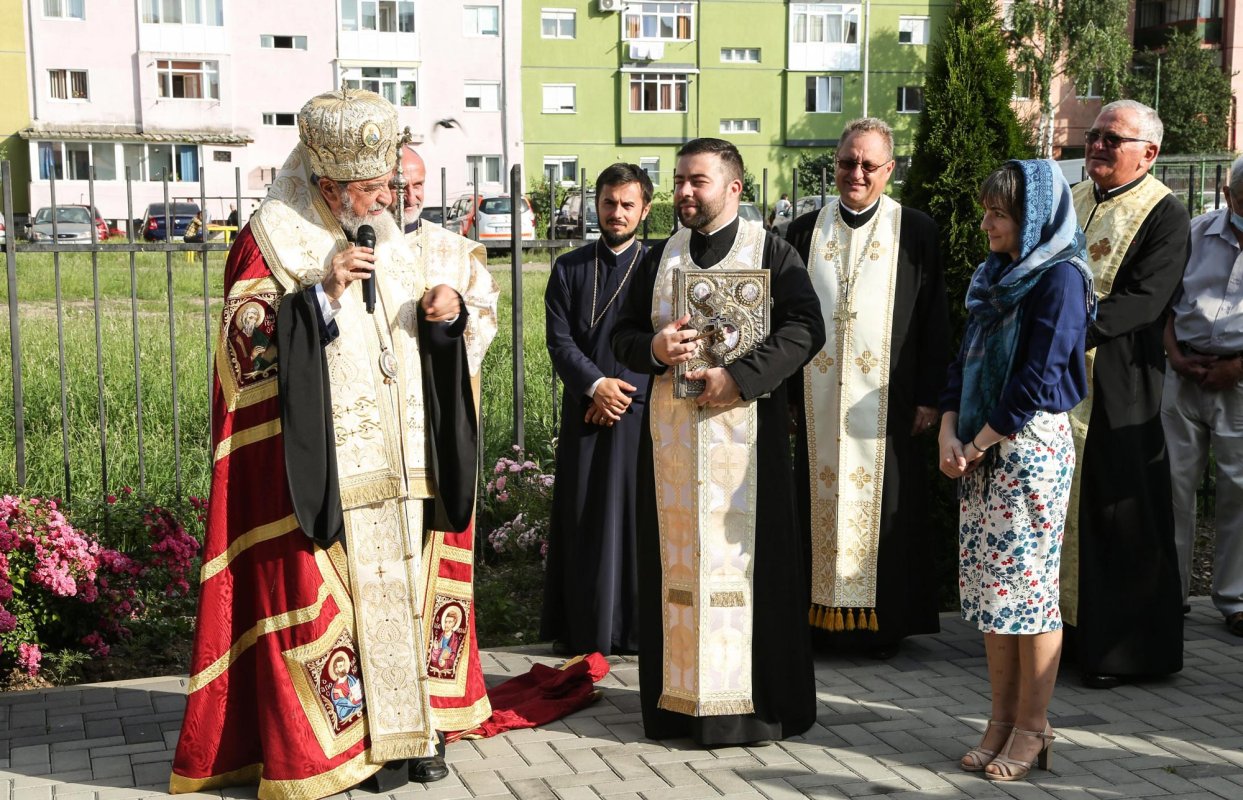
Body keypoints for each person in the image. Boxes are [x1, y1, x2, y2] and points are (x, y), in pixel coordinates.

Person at [170, 88, 478, 798]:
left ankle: (415, 734)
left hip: (403, 465)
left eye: (387, 186)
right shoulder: (271, 235)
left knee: (406, 596)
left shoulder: (390, 233)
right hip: (326, 467)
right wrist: (319, 297)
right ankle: (342, 751)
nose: (383, 198)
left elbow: (407, 340)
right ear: (326, 184)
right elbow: (244, 346)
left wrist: (444, 318)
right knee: (342, 606)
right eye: (370, 188)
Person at [611, 138, 825, 745]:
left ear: (733, 188)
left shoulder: (772, 251)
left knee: (756, 570)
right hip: (673, 446)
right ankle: (678, 707)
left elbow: (807, 327)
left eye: (697, 181)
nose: (683, 192)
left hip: (747, 446)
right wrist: (653, 350)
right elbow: (624, 334)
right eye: (679, 180)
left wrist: (741, 378)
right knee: (677, 571)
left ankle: (759, 708)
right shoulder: (660, 257)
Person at [940, 160, 1094, 781]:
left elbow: (1036, 377)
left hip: (1026, 447)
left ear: (1032, 218)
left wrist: (975, 442)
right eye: (986, 212)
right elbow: (963, 360)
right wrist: (949, 431)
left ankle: (1034, 726)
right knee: (991, 594)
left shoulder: (1060, 279)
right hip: (979, 443)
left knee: (1030, 594)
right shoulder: (992, 275)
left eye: (999, 215)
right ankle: (1001, 720)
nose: (987, 225)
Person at [785, 117, 949, 658]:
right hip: (817, 400)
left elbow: (934, 319)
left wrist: (930, 395)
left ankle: (883, 625)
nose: (855, 173)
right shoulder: (803, 231)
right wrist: (786, 393)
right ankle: (815, 619)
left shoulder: (917, 230)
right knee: (815, 500)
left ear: (889, 169)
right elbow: (783, 318)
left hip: (887, 401)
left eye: (868, 165)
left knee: (889, 504)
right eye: (846, 162)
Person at [1062, 99, 1190, 688]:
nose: (1098, 146)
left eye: (1113, 139)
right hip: (1062, 382)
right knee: (1068, 509)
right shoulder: (1076, 199)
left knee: (1120, 513)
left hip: (1122, 381)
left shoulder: (1165, 212)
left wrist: (1066, 328)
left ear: (1149, 152)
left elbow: (1147, 298)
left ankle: (1122, 650)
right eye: (1093, 136)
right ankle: (1061, 633)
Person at [395, 144, 500, 737]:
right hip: (377, 429)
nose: (406, 195)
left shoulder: (455, 250)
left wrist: (456, 312)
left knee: (438, 555)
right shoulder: (353, 245)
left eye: (414, 183)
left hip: (436, 428)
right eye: (395, 182)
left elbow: (483, 321)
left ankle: (442, 690)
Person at [542, 163, 653, 656]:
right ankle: (585, 628)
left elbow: (665, 338)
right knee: (586, 514)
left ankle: (633, 628)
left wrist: (621, 392)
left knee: (633, 516)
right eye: (609, 202)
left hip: (637, 410)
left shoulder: (657, 266)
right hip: (585, 410)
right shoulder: (569, 267)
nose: (617, 213)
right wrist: (594, 386)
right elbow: (559, 341)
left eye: (628, 204)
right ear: (596, 204)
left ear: (644, 209)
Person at [1162, 153, 1243, 635]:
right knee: (1172, 486)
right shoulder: (1197, 231)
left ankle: (1235, 599)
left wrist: (1237, 366)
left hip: (1238, 378)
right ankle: (1170, 592)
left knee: (1238, 488)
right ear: (1230, 194)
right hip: (1184, 370)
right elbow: (1167, 302)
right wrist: (1173, 354)